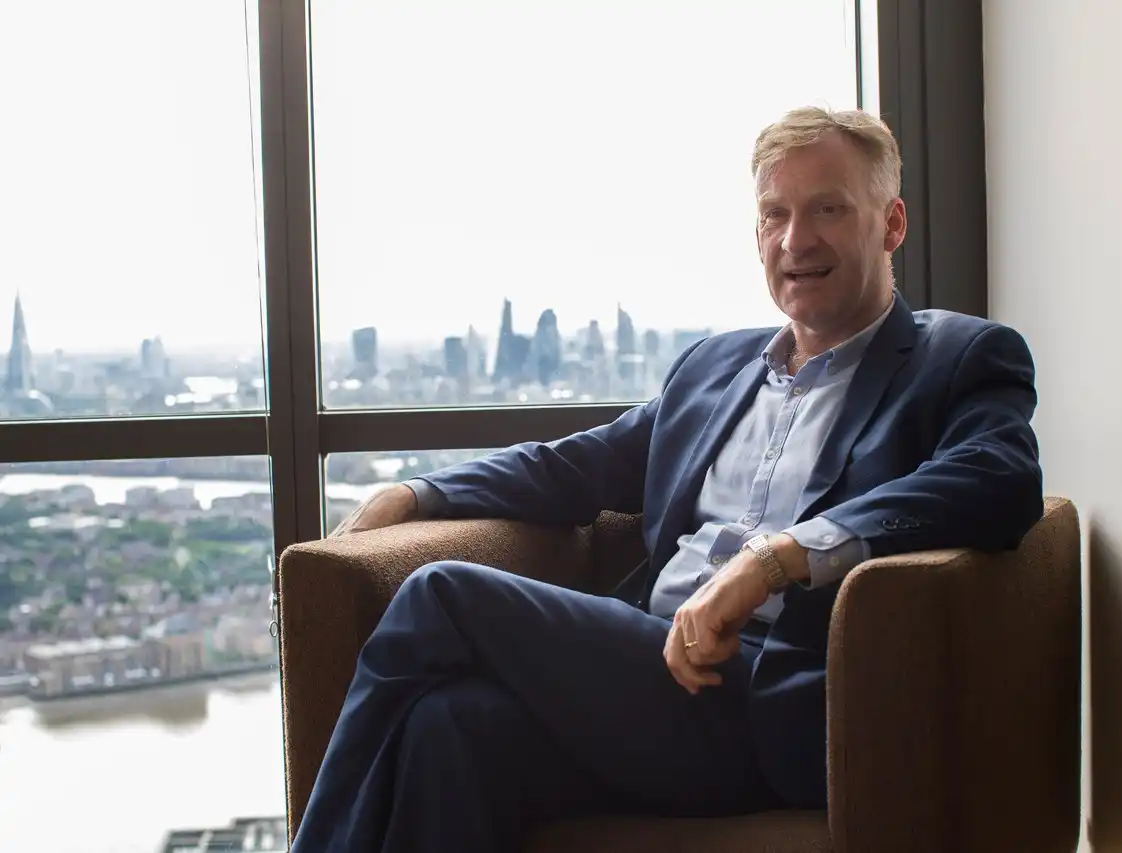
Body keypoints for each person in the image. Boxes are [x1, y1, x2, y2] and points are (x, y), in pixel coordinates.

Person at [293, 106, 1043, 852]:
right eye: (773, 214)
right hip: (648, 669)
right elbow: (581, 464)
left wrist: (775, 558)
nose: (795, 239)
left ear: (892, 223)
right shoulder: (715, 366)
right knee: (445, 725)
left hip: (767, 696)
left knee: (437, 592)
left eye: (828, 210)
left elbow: (998, 476)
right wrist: (422, 493)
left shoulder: (960, 358)